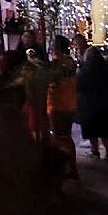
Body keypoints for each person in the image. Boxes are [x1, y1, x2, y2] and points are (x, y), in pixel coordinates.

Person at [47, 36, 79, 179]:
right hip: (69, 103)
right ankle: (71, 167)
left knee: (61, 137)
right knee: (66, 136)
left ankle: (67, 168)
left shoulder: (57, 64)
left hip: (58, 104)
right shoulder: (70, 62)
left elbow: (52, 83)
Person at [76, 46, 108, 162]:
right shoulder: (106, 68)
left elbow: (79, 86)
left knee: (91, 128)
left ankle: (95, 150)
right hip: (104, 103)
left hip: (88, 104)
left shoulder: (83, 70)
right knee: (105, 129)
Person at [18, 48, 52, 142]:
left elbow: (28, 86)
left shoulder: (28, 69)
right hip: (42, 98)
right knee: (41, 120)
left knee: (33, 121)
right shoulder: (43, 68)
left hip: (33, 100)